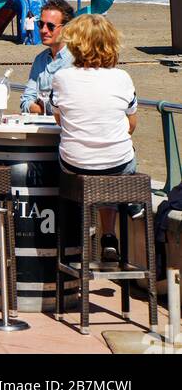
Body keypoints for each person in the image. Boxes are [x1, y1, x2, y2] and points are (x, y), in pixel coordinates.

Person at [51, 14, 138, 263]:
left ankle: (75, 237)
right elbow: (131, 124)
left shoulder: (62, 78)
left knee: (82, 166)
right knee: (117, 162)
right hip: (118, 164)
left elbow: (59, 119)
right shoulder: (122, 78)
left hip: (74, 165)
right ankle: (111, 231)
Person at [20, 0, 74, 113]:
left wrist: (41, 107)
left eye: (50, 26)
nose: (43, 30)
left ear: (67, 29)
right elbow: (26, 100)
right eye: (40, 24)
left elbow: (71, 106)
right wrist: (43, 108)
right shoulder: (40, 60)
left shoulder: (77, 59)